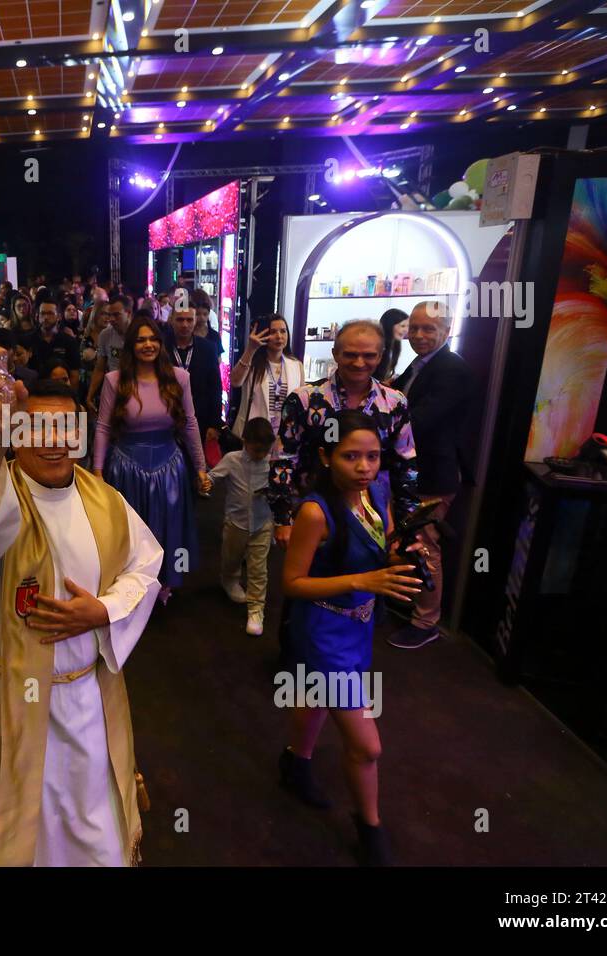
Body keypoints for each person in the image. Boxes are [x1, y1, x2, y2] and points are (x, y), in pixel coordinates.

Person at [0, 374, 164, 866]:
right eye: (37, 428)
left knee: (94, 823)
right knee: (29, 832)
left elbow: (146, 566)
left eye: (67, 427)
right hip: (16, 694)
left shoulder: (103, 499)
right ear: (14, 434)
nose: (55, 440)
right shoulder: (0, 495)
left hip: (86, 693)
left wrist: (101, 610)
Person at [278, 410, 424, 866]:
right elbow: (292, 583)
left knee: (316, 697)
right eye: (351, 457)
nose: (364, 466)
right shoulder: (313, 512)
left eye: (373, 456)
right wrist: (365, 580)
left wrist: (405, 550)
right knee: (367, 745)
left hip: (358, 624)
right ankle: (371, 828)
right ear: (326, 456)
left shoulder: (376, 492)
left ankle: (295, 762)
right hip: (324, 631)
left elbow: (383, 541)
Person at [269, 320, 419, 548]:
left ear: (380, 356)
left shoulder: (394, 403)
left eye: (369, 355)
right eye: (350, 354)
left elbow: (406, 465)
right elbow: (284, 458)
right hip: (315, 510)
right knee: (308, 579)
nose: (359, 363)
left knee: (367, 578)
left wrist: (408, 525)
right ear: (335, 353)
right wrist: (282, 517)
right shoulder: (305, 399)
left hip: (373, 512)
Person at [93, 316, 211, 603]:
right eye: (141, 340)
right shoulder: (114, 380)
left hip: (169, 465)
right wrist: (97, 471)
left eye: (153, 339)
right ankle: (130, 587)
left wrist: (201, 468)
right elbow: (104, 427)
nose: (148, 345)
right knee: (131, 532)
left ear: (161, 343)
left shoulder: (179, 377)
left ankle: (164, 584)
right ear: (131, 345)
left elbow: (191, 424)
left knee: (167, 528)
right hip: (126, 466)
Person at [387, 301, 474, 650]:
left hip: (434, 475)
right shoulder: (422, 364)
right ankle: (410, 605)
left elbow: (419, 421)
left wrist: (375, 426)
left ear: (447, 329)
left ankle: (426, 623)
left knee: (425, 546)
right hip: (412, 473)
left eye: (429, 329)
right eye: (415, 328)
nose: (419, 335)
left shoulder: (452, 369)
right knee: (409, 541)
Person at [209, 417, 276, 635]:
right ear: (244, 441)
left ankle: (256, 609)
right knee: (231, 557)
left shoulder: (272, 463)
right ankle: (229, 580)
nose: (261, 455)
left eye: (265, 451)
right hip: (236, 522)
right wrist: (205, 481)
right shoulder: (232, 459)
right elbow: (214, 476)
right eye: (257, 450)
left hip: (263, 523)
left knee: (258, 569)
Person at [230, 313, 305, 447]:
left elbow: (301, 402)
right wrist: (250, 349)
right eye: (273, 332)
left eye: (283, 331)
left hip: (283, 437)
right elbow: (235, 381)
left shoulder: (296, 365)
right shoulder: (253, 362)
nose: (279, 336)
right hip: (254, 435)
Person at [169, 301, 223, 453]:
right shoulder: (162, 347)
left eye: (189, 320)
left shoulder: (208, 348)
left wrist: (215, 424)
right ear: (172, 319)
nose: (185, 325)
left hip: (200, 419)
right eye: (180, 320)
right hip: (167, 419)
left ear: (195, 321)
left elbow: (216, 387)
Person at [86, 293, 132, 411]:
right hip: (114, 391)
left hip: (137, 389)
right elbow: (100, 368)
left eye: (117, 315)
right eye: (110, 315)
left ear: (129, 314)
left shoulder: (140, 334)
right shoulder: (105, 334)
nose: (111, 319)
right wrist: (90, 395)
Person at [26, 299, 81, 389]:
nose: (46, 317)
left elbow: (74, 374)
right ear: (37, 316)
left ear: (59, 316)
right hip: (34, 390)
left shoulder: (69, 341)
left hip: (60, 390)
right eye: (42, 313)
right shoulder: (28, 339)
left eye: (50, 313)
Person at [374, 308, 410, 384]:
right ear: (389, 325)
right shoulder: (376, 347)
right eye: (402, 326)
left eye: (408, 326)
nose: (406, 330)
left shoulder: (394, 346)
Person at [192, 289, 226, 359]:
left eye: (205, 314)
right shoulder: (188, 334)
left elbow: (218, 358)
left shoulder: (214, 335)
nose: (201, 317)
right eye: (198, 314)